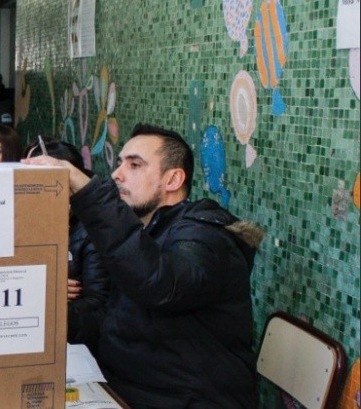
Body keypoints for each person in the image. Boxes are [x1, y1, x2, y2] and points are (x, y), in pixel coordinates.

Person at [23, 124, 261, 408]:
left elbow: (160, 283)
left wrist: (88, 190)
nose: (116, 173)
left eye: (135, 165)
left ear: (173, 179)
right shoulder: (147, 233)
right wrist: (51, 318)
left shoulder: (205, 236)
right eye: (120, 162)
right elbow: (117, 320)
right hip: (127, 389)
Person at [24, 138, 108, 345]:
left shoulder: (90, 230)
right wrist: (43, 289)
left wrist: (46, 302)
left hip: (72, 342)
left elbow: (98, 304)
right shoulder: (22, 220)